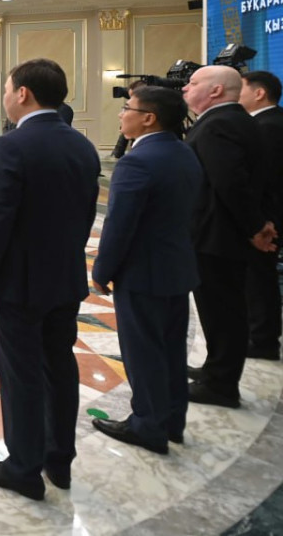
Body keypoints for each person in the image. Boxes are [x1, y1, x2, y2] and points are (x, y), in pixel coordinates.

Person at [0, 58, 100, 501]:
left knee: (21, 373)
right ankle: (59, 461)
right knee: (60, 366)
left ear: (22, 93)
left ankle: (23, 468)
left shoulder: (13, 146)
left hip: (20, 284)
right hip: (65, 277)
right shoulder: (82, 145)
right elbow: (85, 215)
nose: (6, 96)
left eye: (7, 89)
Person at [90, 87, 200, 454]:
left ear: (149, 118)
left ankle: (148, 426)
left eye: (127, 108)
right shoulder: (184, 152)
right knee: (171, 350)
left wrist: (102, 270)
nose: (121, 114)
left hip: (143, 272)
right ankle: (172, 422)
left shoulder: (137, 161)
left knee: (144, 352)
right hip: (177, 267)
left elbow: (119, 224)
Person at [183, 65, 275, 408]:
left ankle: (221, 384)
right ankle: (216, 369)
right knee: (223, 309)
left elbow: (230, 182)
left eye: (193, 83)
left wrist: (255, 228)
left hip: (216, 236)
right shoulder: (236, 120)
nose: (185, 88)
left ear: (216, 90)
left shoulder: (219, 124)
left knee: (222, 311)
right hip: (221, 234)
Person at [239, 70, 283, 361]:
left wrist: (259, 222)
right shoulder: (268, 122)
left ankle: (263, 339)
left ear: (259, 93)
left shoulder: (267, 127)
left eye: (241, 89)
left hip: (268, 218)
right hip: (268, 214)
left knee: (259, 278)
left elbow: (264, 180)